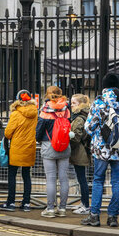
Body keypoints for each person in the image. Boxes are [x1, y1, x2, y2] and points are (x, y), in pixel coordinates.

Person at [82, 73, 119, 228]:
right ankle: (113, 217)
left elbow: (89, 127)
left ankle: (94, 216)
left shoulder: (99, 103)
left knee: (98, 180)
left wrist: (99, 133)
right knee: (117, 181)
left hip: (101, 149)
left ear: (104, 86)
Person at [0, 90, 37, 212]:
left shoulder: (15, 114)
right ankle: (26, 203)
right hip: (29, 146)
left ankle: (11, 202)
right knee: (27, 176)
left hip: (16, 148)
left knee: (12, 176)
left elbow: (8, 133)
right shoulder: (35, 113)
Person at [36, 86, 72, 218]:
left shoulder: (45, 110)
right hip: (65, 146)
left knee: (50, 179)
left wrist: (39, 139)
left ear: (48, 94)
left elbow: (39, 131)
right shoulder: (67, 109)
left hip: (48, 145)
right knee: (64, 179)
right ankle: (62, 208)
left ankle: (50, 209)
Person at [69, 94, 91, 215]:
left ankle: (86, 205)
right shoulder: (84, 116)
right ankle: (83, 203)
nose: (71, 105)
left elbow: (76, 137)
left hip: (79, 152)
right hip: (83, 151)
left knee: (82, 179)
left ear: (80, 104)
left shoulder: (78, 118)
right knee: (81, 178)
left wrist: (69, 138)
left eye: (74, 103)